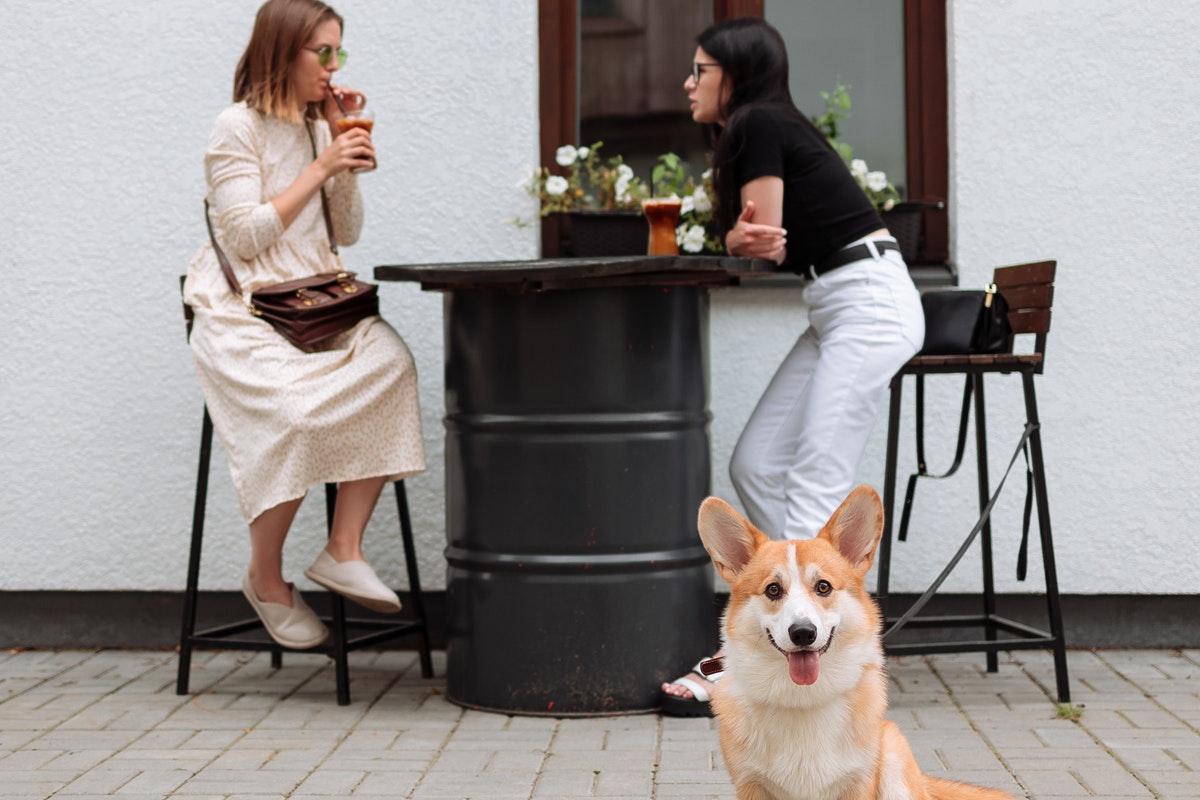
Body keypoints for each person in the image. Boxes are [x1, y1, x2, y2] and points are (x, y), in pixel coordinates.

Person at [659, 17, 925, 716]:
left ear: (734, 77)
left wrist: (741, 238)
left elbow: (765, 239)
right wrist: (737, 235)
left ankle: (764, 656)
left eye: (699, 71)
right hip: (840, 305)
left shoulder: (756, 123)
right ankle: (798, 628)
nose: (687, 84)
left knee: (814, 478)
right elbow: (760, 237)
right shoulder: (760, 126)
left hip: (869, 304)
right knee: (755, 462)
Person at [183, 0, 425, 650]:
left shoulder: (322, 125)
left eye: (338, 51)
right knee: (294, 411)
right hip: (248, 307)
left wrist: (339, 149)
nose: (334, 65)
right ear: (281, 52)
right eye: (322, 52)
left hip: (319, 297)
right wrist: (320, 165)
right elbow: (245, 237)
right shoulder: (236, 127)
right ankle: (265, 577)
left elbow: (345, 231)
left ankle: (343, 548)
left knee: (393, 365)